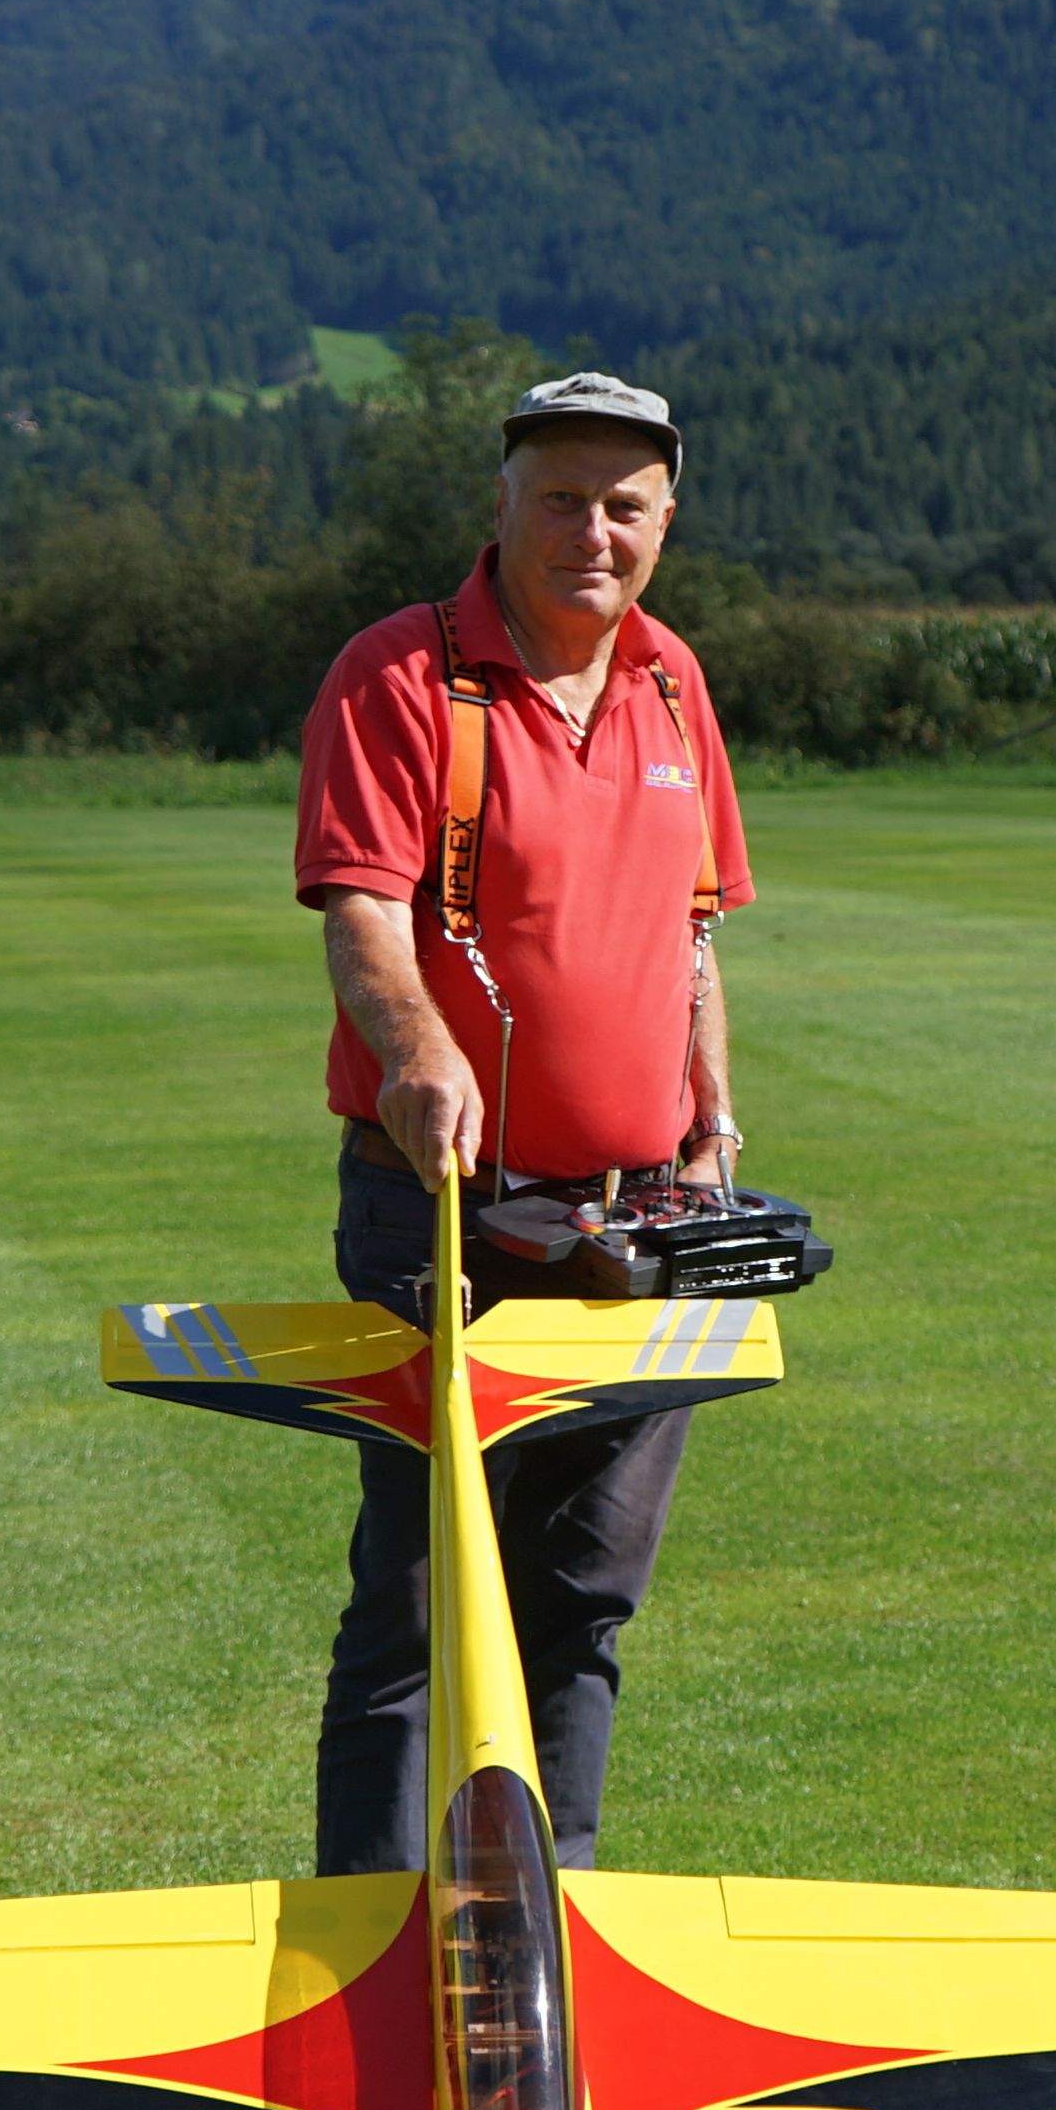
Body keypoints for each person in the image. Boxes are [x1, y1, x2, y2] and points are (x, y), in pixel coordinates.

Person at [288, 368, 753, 1878]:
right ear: (502, 503)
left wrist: (714, 1125)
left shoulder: (677, 683)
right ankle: (373, 1956)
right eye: (562, 498)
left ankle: (552, 1952)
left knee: (585, 1606)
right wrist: (418, 1049)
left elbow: (691, 937)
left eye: (626, 506)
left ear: (668, 517)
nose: (592, 533)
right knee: (422, 1608)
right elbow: (363, 907)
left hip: (640, 1229)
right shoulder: (401, 676)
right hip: (449, 1216)